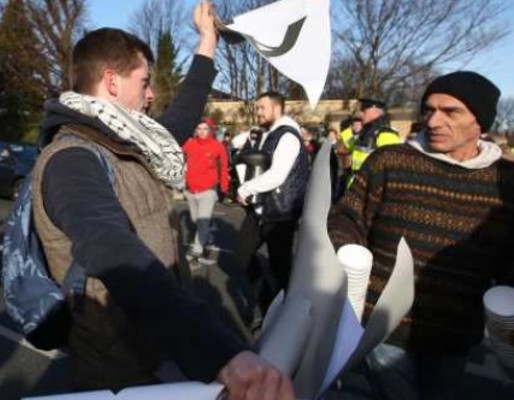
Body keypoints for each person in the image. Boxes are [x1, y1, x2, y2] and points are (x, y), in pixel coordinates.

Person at [28, 2, 294, 398]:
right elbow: (113, 249)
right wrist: (221, 354)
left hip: (152, 351)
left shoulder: (129, 143)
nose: (152, 95)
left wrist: (208, 40)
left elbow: (182, 116)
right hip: (116, 372)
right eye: (145, 81)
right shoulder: (72, 158)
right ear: (112, 82)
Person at [327, 71, 514, 400]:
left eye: (451, 111)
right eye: (429, 110)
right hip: (382, 326)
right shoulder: (390, 162)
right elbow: (346, 218)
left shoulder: (512, 184)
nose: (433, 121)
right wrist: (347, 257)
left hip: (454, 331)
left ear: (480, 122)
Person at [235, 91, 309, 321]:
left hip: (280, 213)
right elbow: (239, 146)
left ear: (277, 108)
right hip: (261, 210)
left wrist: (246, 189)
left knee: (281, 268)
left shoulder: (288, 136)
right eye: (257, 108)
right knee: (240, 257)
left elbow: (277, 175)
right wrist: (250, 134)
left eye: (261, 108)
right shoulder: (270, 134)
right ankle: (267, 302)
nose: (257, 112)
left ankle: (285, 319)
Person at [182, 118, 230, 263]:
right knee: (195, 220)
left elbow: (223, 166)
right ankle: (204, 237)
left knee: (202, 222)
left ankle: (197, 250)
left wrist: (224, 186)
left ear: (210, 130)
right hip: (190, 190)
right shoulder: (189, 144)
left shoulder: (217, 146)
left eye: (205, 129)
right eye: (199, 129)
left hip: (208, 190)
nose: (202, 132)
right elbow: (176, 156)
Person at [349, 98, 401, 175]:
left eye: (364, 109)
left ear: (375, 109)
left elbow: (392, 169)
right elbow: (343, 149)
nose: (361, 114)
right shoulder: (365, 132)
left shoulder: (386, 134)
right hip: (357, 184)